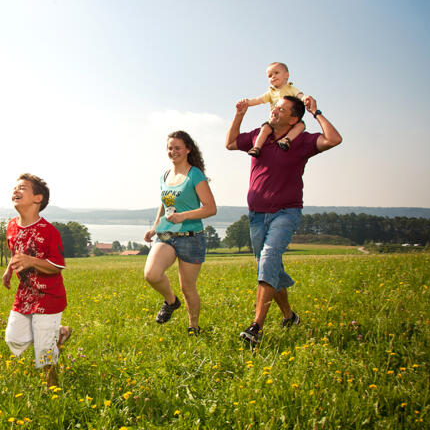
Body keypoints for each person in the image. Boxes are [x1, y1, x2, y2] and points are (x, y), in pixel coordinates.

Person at [225, 95, 342, 344]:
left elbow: (334, 139)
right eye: (275, 107)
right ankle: (289, 316)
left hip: (286, 212)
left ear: (293, 119)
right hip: (256, 215)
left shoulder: (301, 140)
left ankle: (256, 327)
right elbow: (231, 142)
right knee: (270, 267)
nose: (275, 111)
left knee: (267, 261)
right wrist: (240, 114)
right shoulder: (261, 135)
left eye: (281, 109)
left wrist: (316, 112)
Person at [143, 131, 217, 336]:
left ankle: (194, 327)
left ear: (187, 149)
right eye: (170, 148)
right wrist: (155, 227)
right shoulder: (165, 176)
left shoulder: (195, 175)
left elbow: (210, 208)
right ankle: (171, 301)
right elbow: (165, 204)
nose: (173, 151)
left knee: (188, 288)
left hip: (192, 238)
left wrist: (184, 216)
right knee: (151, 274)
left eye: (177, 148)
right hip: (167, 235)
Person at [2, 173, 71, 386]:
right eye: (15, 188)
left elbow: (57, 266)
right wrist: (8, 270)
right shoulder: (12, 226)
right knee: (13, 339)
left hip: (48, 296)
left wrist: (32, 261)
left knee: (43, 353)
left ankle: (53, 388)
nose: (16, 191)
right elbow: (16, 252)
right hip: (25, 293)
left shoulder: (49, 231)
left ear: (37, 198)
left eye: (22, 188)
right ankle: (57, 335)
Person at [242, 62, 306, 157]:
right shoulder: (270, 93)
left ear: (286, 75)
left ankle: (287, 139)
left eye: (276, 73)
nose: (273, 77)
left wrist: (306, 98)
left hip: (289, 118)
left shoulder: (291, 89)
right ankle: (256, 147)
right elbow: (258, 100)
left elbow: (300, 95)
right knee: (264, 129)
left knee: (301, 126)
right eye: (270, 75)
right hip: (275, 120)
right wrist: (247, 103)